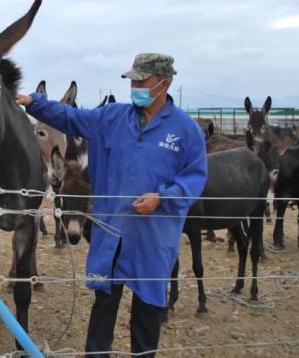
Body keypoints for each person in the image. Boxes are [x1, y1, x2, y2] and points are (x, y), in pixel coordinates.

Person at [16, 53, 208, 357]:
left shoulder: (185, 131)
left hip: (153, 235)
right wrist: (34, 102)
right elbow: (70, 117)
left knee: (147, 310)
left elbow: (195, 177)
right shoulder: (113, 118)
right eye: (132, 81)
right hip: (111, 231)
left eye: (141, 81)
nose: (135, 86)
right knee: (104, 304)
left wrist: (163, 197)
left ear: (164, 83)